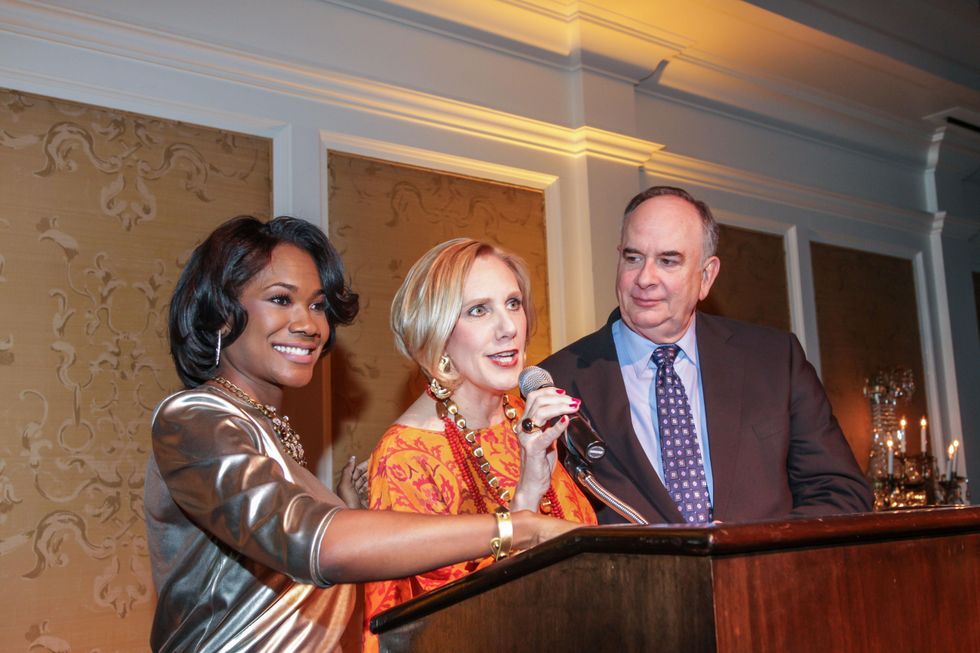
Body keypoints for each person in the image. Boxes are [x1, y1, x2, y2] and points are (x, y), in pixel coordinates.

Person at [144, 217, 577, 652]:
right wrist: (518, 528)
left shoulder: (264, 429)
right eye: (281, 299)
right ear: (220, 315)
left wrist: (345, 507)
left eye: (317, 306)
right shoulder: (193, 418)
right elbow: (309, 541)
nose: (309, 324)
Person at [540, 186, 873, 525]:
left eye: (668, 261)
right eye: (633, 257)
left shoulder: (774, 360)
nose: (644, 278)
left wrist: (756, 557)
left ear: (706, 276)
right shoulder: (557, 382)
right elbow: (545, 521)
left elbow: (841, 491)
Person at [364, 238, 598, 647]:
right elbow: (446, 623)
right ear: (435, 333)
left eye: (513, 303)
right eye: (478, 310)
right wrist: (526, 497)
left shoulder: (529, 420)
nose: (508, 327)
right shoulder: (406, 457)